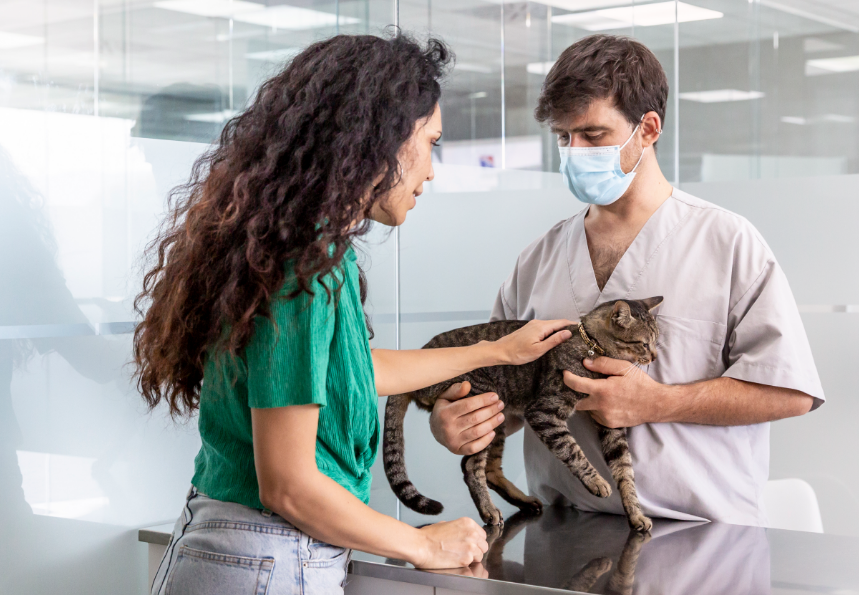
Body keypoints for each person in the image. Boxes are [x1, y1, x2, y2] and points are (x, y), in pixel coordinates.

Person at [132, 34, 575, 595]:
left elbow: (352, 370)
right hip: (267, 558)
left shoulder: (297, 251)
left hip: (236, 550)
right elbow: (288, 485)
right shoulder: (302, 272)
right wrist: (422, 544)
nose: (432, 172)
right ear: (381, 139)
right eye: (431, 143)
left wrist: (498, 351)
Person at [429, 34, 825, 527]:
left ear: (649, 129)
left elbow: (791, 391)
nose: (574, 151)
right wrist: (463, 424)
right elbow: (506, 394)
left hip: (698, 534)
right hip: (561, 532)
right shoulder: (538, 261)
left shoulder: (726, 243)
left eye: (593, 135)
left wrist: (658, 402)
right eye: (563, 137)